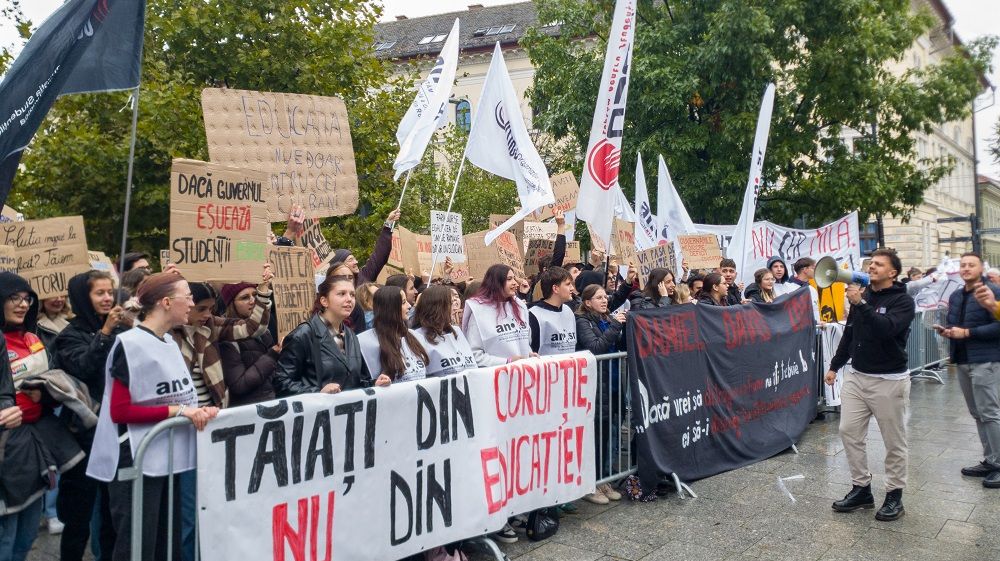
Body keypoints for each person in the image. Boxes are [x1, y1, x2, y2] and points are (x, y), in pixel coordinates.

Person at [86, 272, 219, 561]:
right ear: (167, 302)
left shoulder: (170, 342)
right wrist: (179, 412)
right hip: (135, 456)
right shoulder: (130, 344)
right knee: (138, 545)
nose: (192, 303)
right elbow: (120, 411)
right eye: (188, 296)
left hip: (165, 455)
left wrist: (199, 411)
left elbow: (181, 396)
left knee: (164, 543)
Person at [824, 248, 915, 521]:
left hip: (889, 380)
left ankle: (894, 495)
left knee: (893, 441)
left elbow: (886, 329)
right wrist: (835, 365)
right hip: (857, 377)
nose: (871, 267)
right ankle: (861, 488)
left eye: (879, 264)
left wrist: (860, 305)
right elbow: (850, 333)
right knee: (849, 431)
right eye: (871, 263)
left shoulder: (902, 301)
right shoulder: (863, 296)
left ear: (892, 272)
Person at [51, 271, 127, 561]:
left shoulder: (121, 328)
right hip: (83, 434)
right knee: (79, 517)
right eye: (99, 293)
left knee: (112, 512)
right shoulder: (68, 336)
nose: (107, 298)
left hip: (115, 430)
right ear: (84, 298)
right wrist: (105, 333)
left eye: (110, 292)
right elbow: (84, 367)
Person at [936, 253, 1000, 488]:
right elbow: (959, 325)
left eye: (971, 265)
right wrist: (949, 331)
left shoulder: (992, 290)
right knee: (977, 412)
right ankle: (991, 459)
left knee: (990, 412)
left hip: (986, 359)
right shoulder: (955, 295)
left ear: (981, 268)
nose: (965, 268)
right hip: (963, 359)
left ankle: (999, 463)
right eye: (962, 265)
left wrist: (968, 333)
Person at [173, 266, 272, 409]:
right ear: (186, 303)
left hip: (214, 414)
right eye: (201, 309)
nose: (208, 315)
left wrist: (263, 290)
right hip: (182, 416)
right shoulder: (167, 332)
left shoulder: (211, 324)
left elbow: (253, 328)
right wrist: (168, 285)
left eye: (211, 309)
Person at [273, 274, 369, 396]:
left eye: (352, 294)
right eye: (341, 294)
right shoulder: (303, 334)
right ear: (324, 301)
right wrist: (318, 392)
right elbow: (281, 382)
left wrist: (374, 384)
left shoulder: (351, 336)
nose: (349, 299)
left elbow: (357, 379)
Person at [575, 284, 626, 504]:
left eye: (606, 296)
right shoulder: (583, 321)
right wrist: (615, 325)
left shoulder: (606, 319)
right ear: (587, 302)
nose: (605, 300)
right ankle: (591, 483)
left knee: (609, 434)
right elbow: (595, 347)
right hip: (596, 385)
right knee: (596, 435)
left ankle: (604, 478)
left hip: (613, 383)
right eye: (599, 297)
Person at [217, 282, 279, 407]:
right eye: (245, 297)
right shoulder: (227, 338)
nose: (252, 301)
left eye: (255, 295)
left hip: (273, 403)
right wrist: (272, 356)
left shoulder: (264, 331)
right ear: (231, 304)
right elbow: (239, 385)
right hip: (248, 412)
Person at [462, 264, 533, 367]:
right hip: (495, 378)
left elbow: (524, 341)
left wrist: (529, 354)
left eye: (514, 278)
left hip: (523, 376)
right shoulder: (479, 311)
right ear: (496, 283)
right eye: (509, 279)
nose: (515, 283)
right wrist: (506, 362)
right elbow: (474, 355)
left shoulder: (520, 306)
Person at [357, 286, 428, 385]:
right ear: (390, 308)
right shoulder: (364, 342)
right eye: (403, 302)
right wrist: (375, 384)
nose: (409, 306)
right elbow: (360, 382)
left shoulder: (415, 336)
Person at [410, 285, 477, 377]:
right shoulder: (417, 336)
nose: (455, 307)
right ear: (438, 307)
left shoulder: (456, 331)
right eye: (450, 303)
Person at [330, 209, 401, 286]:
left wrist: (388, 223)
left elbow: (379, 255)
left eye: (354, 259)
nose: (356, 262)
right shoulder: (330, 289)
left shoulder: (363, 276)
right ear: (339, 266)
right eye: (350, 260)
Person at [528, 267, 577, 356]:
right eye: (568, 284)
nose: (572, 288)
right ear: (555, 288)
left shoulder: (568, 310)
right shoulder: (533, 315)